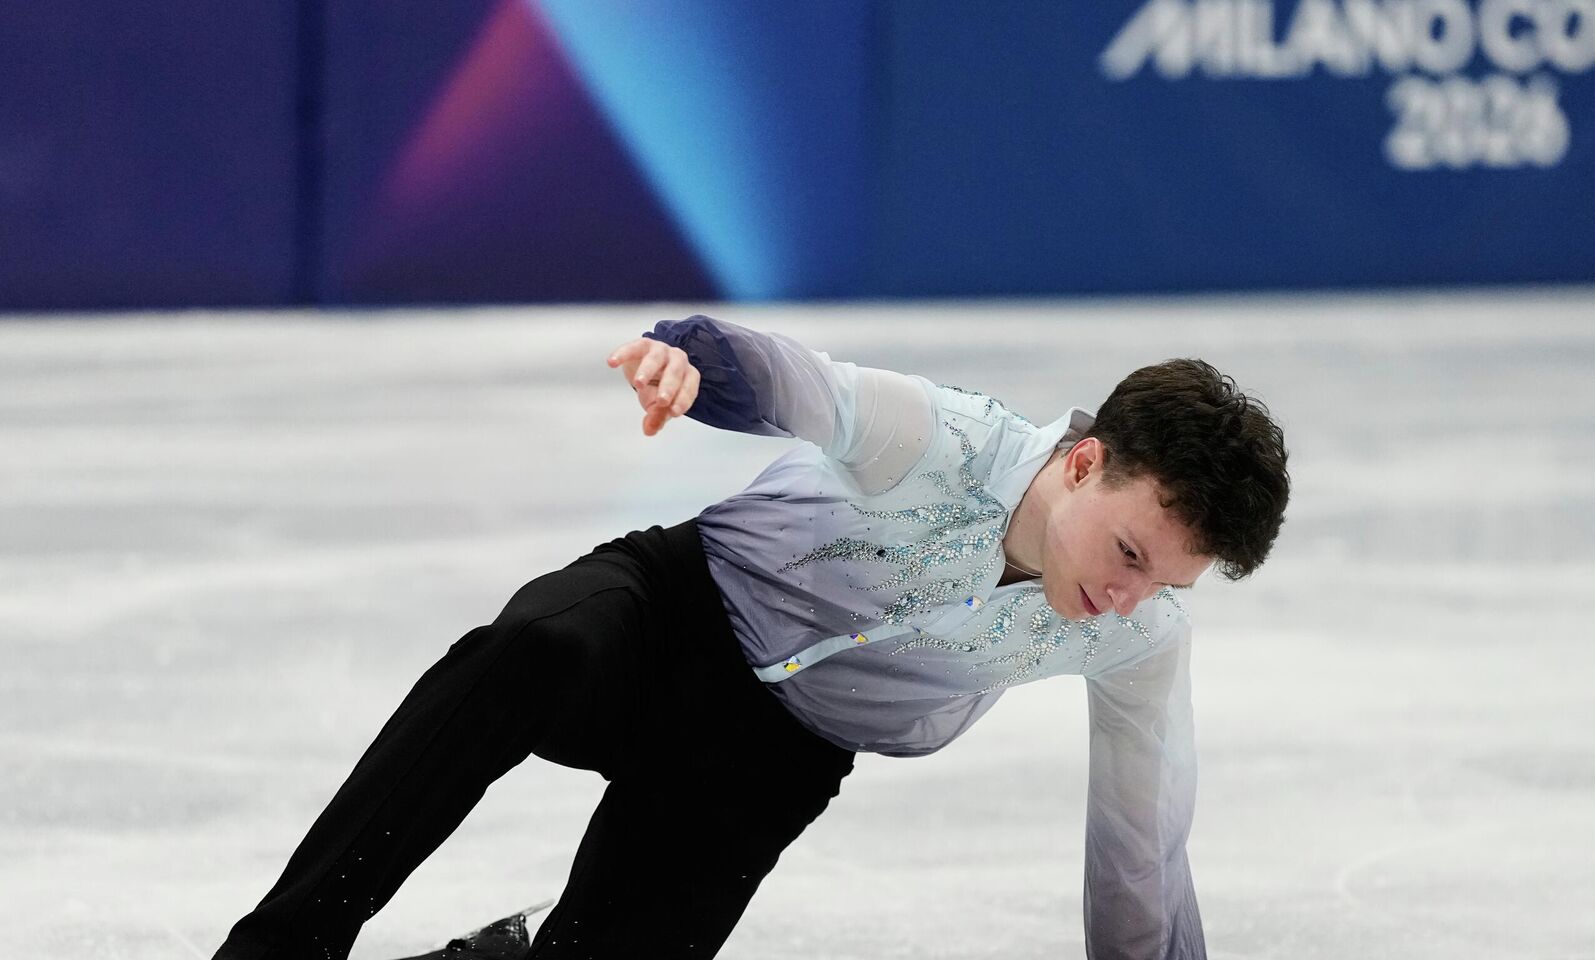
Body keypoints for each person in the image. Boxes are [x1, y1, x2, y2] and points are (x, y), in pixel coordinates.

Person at [211, 314, 1290, 960]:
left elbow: (1141, 858)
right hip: (671, 614)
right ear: (1085, 463)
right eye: (1130, 554)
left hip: (770, 760)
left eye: (1164, 584)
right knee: (533, 649)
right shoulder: (948, 440)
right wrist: (689, 358)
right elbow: (800, 385)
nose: (1126, 599)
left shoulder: (1138, 638)